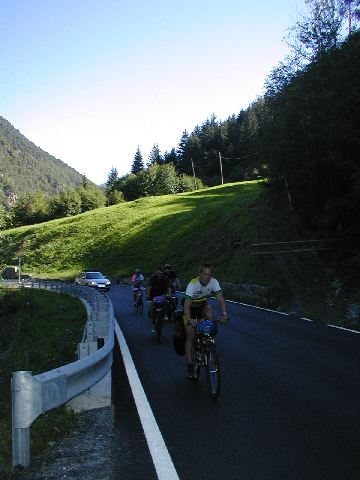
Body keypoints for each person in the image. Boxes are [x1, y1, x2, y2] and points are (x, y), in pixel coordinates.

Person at [183, 263, 228, 379]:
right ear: (200, 274)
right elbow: (186, 306)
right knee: (190, 336)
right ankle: (190, 367)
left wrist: (224, 314)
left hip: (202, 306)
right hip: (190, 309)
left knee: (209, 312)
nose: (207, 277)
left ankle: (207, 340)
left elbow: (220, 299)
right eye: (204, 274)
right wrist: (189, 320)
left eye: (209, 274)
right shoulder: (192, 284)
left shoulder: (214, 282)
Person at [147, 266, 172, 333]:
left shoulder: (166, 278)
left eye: (161, 273)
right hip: (154, 294)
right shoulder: (153, 278)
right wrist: (147, 295)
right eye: (158, 273)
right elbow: (149, 287)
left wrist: (169, 295)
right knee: (152, 308)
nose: (159, 275)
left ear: (163, 273)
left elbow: (169, 288)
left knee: (166, 303)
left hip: (163, 294)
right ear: (156, 273)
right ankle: (153, 324)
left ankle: (165, 315)